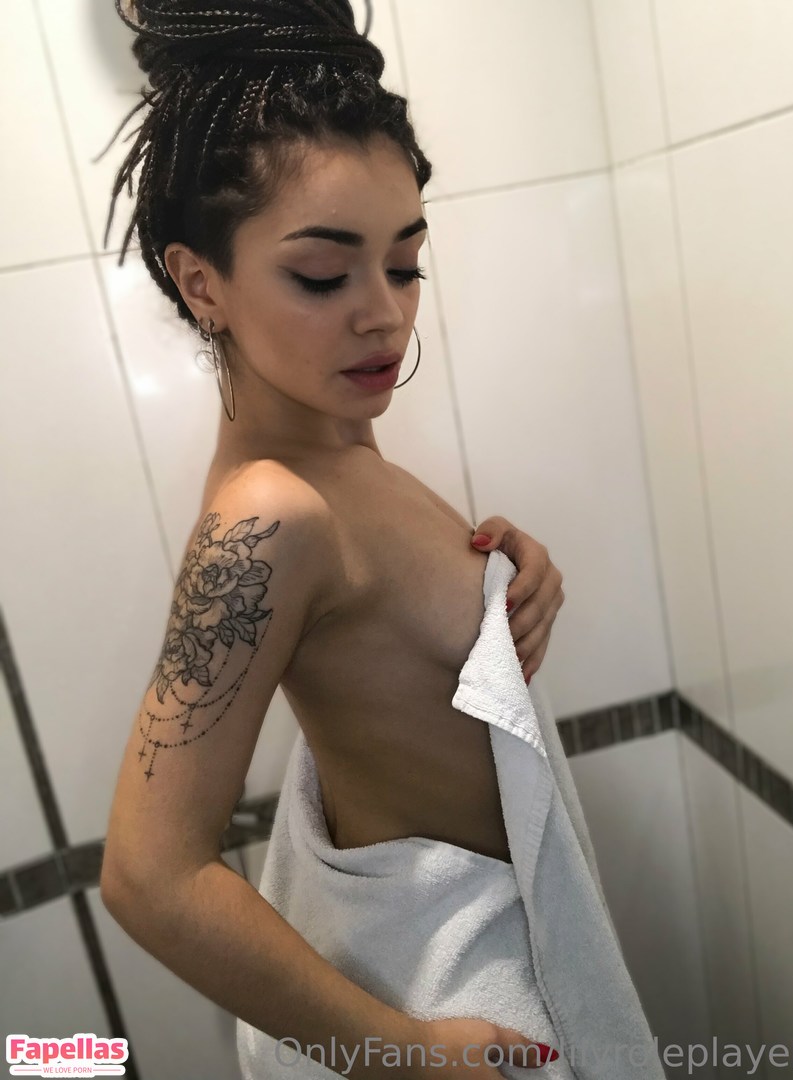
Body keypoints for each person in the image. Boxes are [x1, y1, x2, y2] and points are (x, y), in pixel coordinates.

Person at [97, 3, 574, 1079]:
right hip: (458, 1012)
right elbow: (149, 875)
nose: (383, 315)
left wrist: (503, 571)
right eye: (322, 275)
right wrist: (404, 1054)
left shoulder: (340, 447)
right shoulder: (270, 512)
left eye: (404, 265)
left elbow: (382, 638)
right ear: (201, 281)